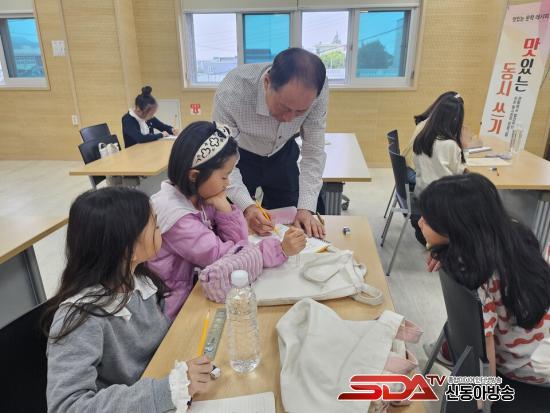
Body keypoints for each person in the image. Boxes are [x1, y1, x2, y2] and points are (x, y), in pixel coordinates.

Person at [43, 187, 212, 412]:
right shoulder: (80, 319)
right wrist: (168, 389)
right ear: (129, 250)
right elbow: (67, 407)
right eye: (155, 225)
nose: (160, 229)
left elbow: (159, 352)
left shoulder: (140, 281)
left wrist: (181, 379)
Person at [148, 121, 306, 319]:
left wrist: (224, 209)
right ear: (194, 175)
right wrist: (280, 249)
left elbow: (239, 246)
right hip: (175, 306)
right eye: (224, 177)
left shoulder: (197, 195)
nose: (228, 183)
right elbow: (230, 260)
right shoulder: (177, 218)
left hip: (196, 285)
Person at [419, 174, 550, 390]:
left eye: (428, 220)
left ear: (456, 228)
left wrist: (484, 398)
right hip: (534, 340)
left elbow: (484, 348)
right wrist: (445, 251)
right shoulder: (512, 233)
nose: (420, 222)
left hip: (528, 367)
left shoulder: (478, 274)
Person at [212, 48, 329, 239]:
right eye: (284, 107)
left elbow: (313, 152)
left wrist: (306, 208)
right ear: (267, 82)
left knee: (294, 221)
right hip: (239, 156)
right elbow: (223, 158)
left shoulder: (317, 90)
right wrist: (248, 206)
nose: (289, 119)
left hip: (282, 152)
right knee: (233, 224)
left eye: (300, 111)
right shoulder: (232, 92)